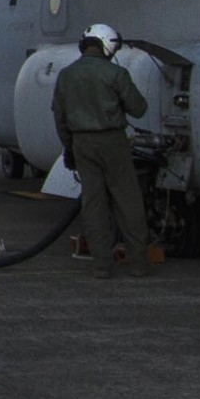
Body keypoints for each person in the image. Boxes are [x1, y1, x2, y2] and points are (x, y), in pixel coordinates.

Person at [52, 22, 152, 279]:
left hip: (82, 143)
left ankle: (101, 265)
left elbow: (60, 118)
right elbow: (139, 109)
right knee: (127, 201)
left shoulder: (66, 75)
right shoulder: (115, 74)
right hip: (113, 142)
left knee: (93, 204)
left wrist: (70, 147)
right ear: (107, 44)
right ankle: (139, 263)